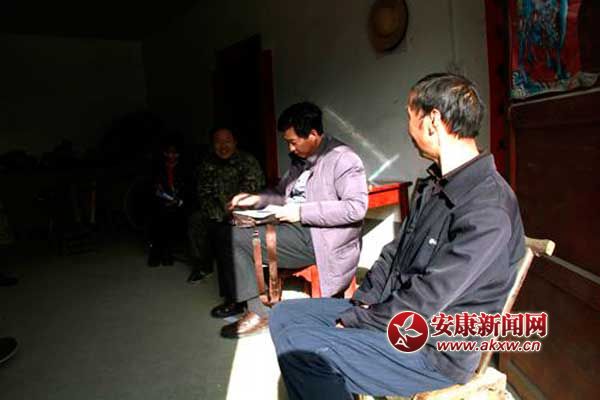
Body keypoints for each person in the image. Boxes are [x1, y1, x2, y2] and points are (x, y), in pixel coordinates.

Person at [269, 74, 526, 399]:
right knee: (284, 314)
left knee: (305, 352)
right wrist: (365, 299)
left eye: (409, 115)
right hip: (393, 309)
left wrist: (361, 321)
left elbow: (429, 297)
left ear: (432, 121)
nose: (408, 128)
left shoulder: (488, 205)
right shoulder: (435, 184)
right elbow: (395, 252)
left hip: (432, 348)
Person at [214, 101, 369, 339]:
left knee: (235, 238)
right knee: (226, 228)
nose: (290, 148)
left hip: (321, 239)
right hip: (295, 228)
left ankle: (258, 312)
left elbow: (356, 208)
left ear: (313, 134)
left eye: (293, 142)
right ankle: (240, 298)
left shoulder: (343, 159)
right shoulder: (302, 159)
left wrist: (301, 212)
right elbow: (281, 194)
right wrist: (255, 198)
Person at [187, 128, 265, 283]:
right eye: (218, 142)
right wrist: (218, 214)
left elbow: (252, 192)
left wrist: (233, 213)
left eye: (227, 141)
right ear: (212, 145)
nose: (223, 146)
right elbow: (204, 194)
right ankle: (203, 267)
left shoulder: (248, 161)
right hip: (218, 211)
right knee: (196, 220)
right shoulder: (207, 163)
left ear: (235, 142)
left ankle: (247, 272)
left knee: (235, 230)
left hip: (244, 212)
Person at [147, 139, 187, 267]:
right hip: (160, 203)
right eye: (169, 152)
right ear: (165, 153)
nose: (171, 155)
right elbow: (152, 186)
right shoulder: (158, 167)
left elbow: (187, 188)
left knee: (170, 226)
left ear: (178, 154)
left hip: (177, 204)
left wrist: (178, 200)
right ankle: (155, 254)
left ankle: (167, 254)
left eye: (175, 153)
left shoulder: (183, 169)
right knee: (157, 224)